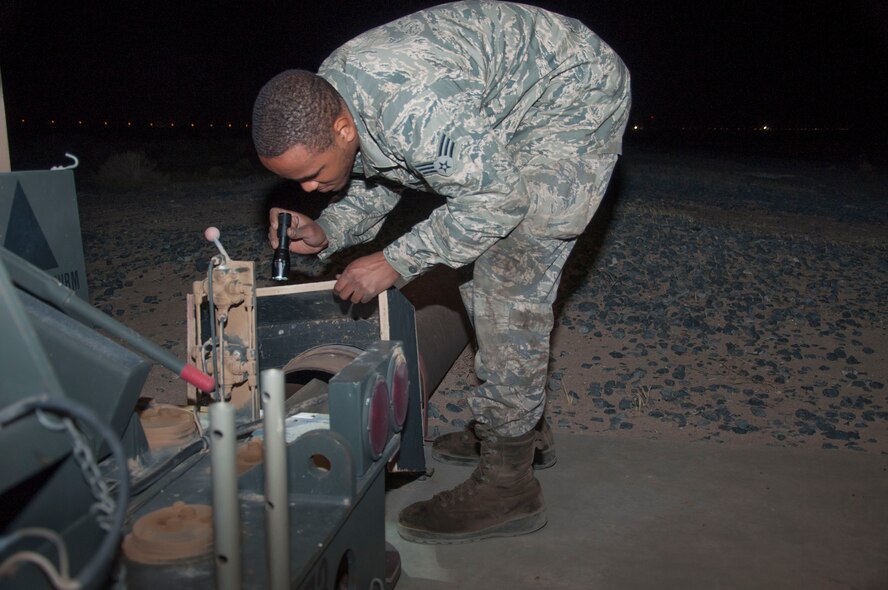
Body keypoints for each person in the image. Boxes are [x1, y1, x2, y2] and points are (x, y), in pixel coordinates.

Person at [252, 0, 630, 544]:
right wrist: (327, 229)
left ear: (339, 128)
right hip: (509, 101)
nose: (306, 189)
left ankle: (509, 484)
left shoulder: (408, 105)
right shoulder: (338, 99)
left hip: (573, 96)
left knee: (507, 271)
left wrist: (395, 261)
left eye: (311, 176)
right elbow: (389, 167)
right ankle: (521, 429)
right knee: (475, 260)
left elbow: (498, 198)